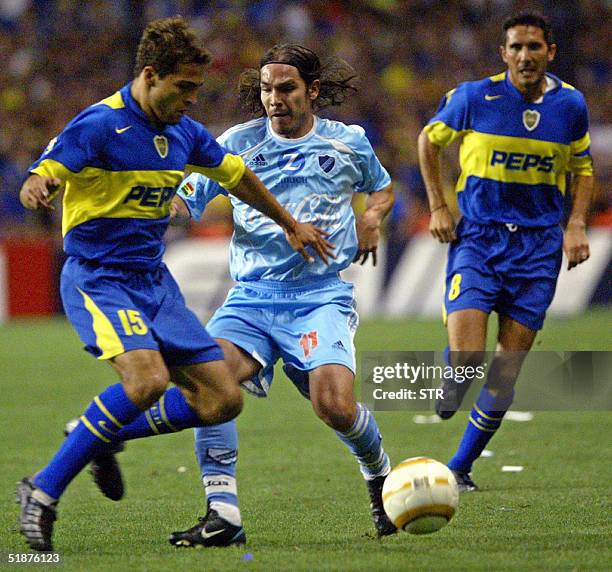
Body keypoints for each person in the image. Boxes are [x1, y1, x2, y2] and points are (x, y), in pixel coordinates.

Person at [16, 18, 331, 552]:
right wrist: (37, 184)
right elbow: (46, 170)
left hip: (154, 284)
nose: (190, 99)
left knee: (224, 398)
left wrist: (288, 222)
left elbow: (237, 177)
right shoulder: (98, 126)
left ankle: (97, 434)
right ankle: (42, 491)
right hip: (101, 279)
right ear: (149, 76)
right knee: (147, 381)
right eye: (182, 88)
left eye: (196, 89)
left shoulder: (184, 132)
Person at [162, 44, 396, 546]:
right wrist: (156, 204)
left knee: (334, 406)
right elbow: (187, 199)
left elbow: (381, 188)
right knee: (213, 384)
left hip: (319, 295)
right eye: (267, 88)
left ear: (311, 90)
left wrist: (371, 218)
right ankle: (222, 512)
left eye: (286, 88)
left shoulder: (347, 142)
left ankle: (378, 475)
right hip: (252, 297)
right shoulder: (236, 145)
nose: (274, 98)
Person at [417, 12, 593, 491]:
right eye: (516, 47)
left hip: (537, 249)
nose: (525, 56)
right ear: (504, 53)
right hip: (479, 239)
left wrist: (575, 224)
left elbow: (583, 169)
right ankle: (455, 373)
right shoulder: (474, 97)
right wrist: (438, 206)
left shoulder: (571, 105)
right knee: (470, 359)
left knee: (505, 371)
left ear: (550, 52)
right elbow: (427, 142)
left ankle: (460, 466)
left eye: (534, 47)